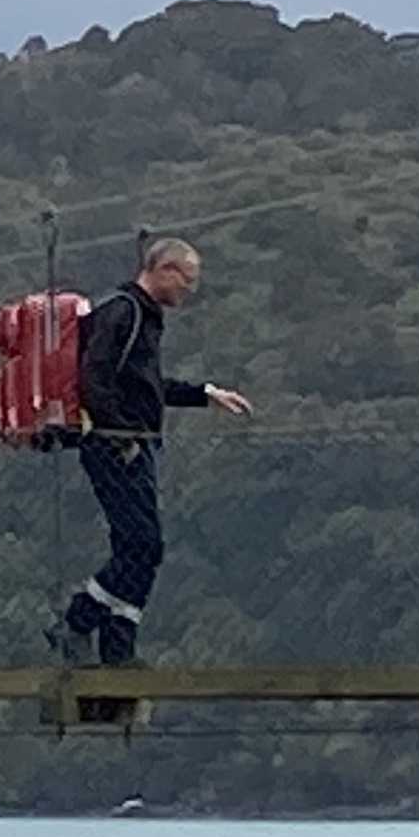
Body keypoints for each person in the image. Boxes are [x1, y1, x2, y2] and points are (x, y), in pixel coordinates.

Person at [49, 237, 252, 667]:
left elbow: (145, 386)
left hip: (133, 443)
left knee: (140, 547)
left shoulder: (143, 315)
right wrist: (120, 436)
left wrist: (203, 393)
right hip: (113, 445)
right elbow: (95, 379)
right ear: (163, 269)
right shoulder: (122, 311)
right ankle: (78, 621)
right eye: (187, 281)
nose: (188, 291)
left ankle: (118, 646)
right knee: (143, 543)